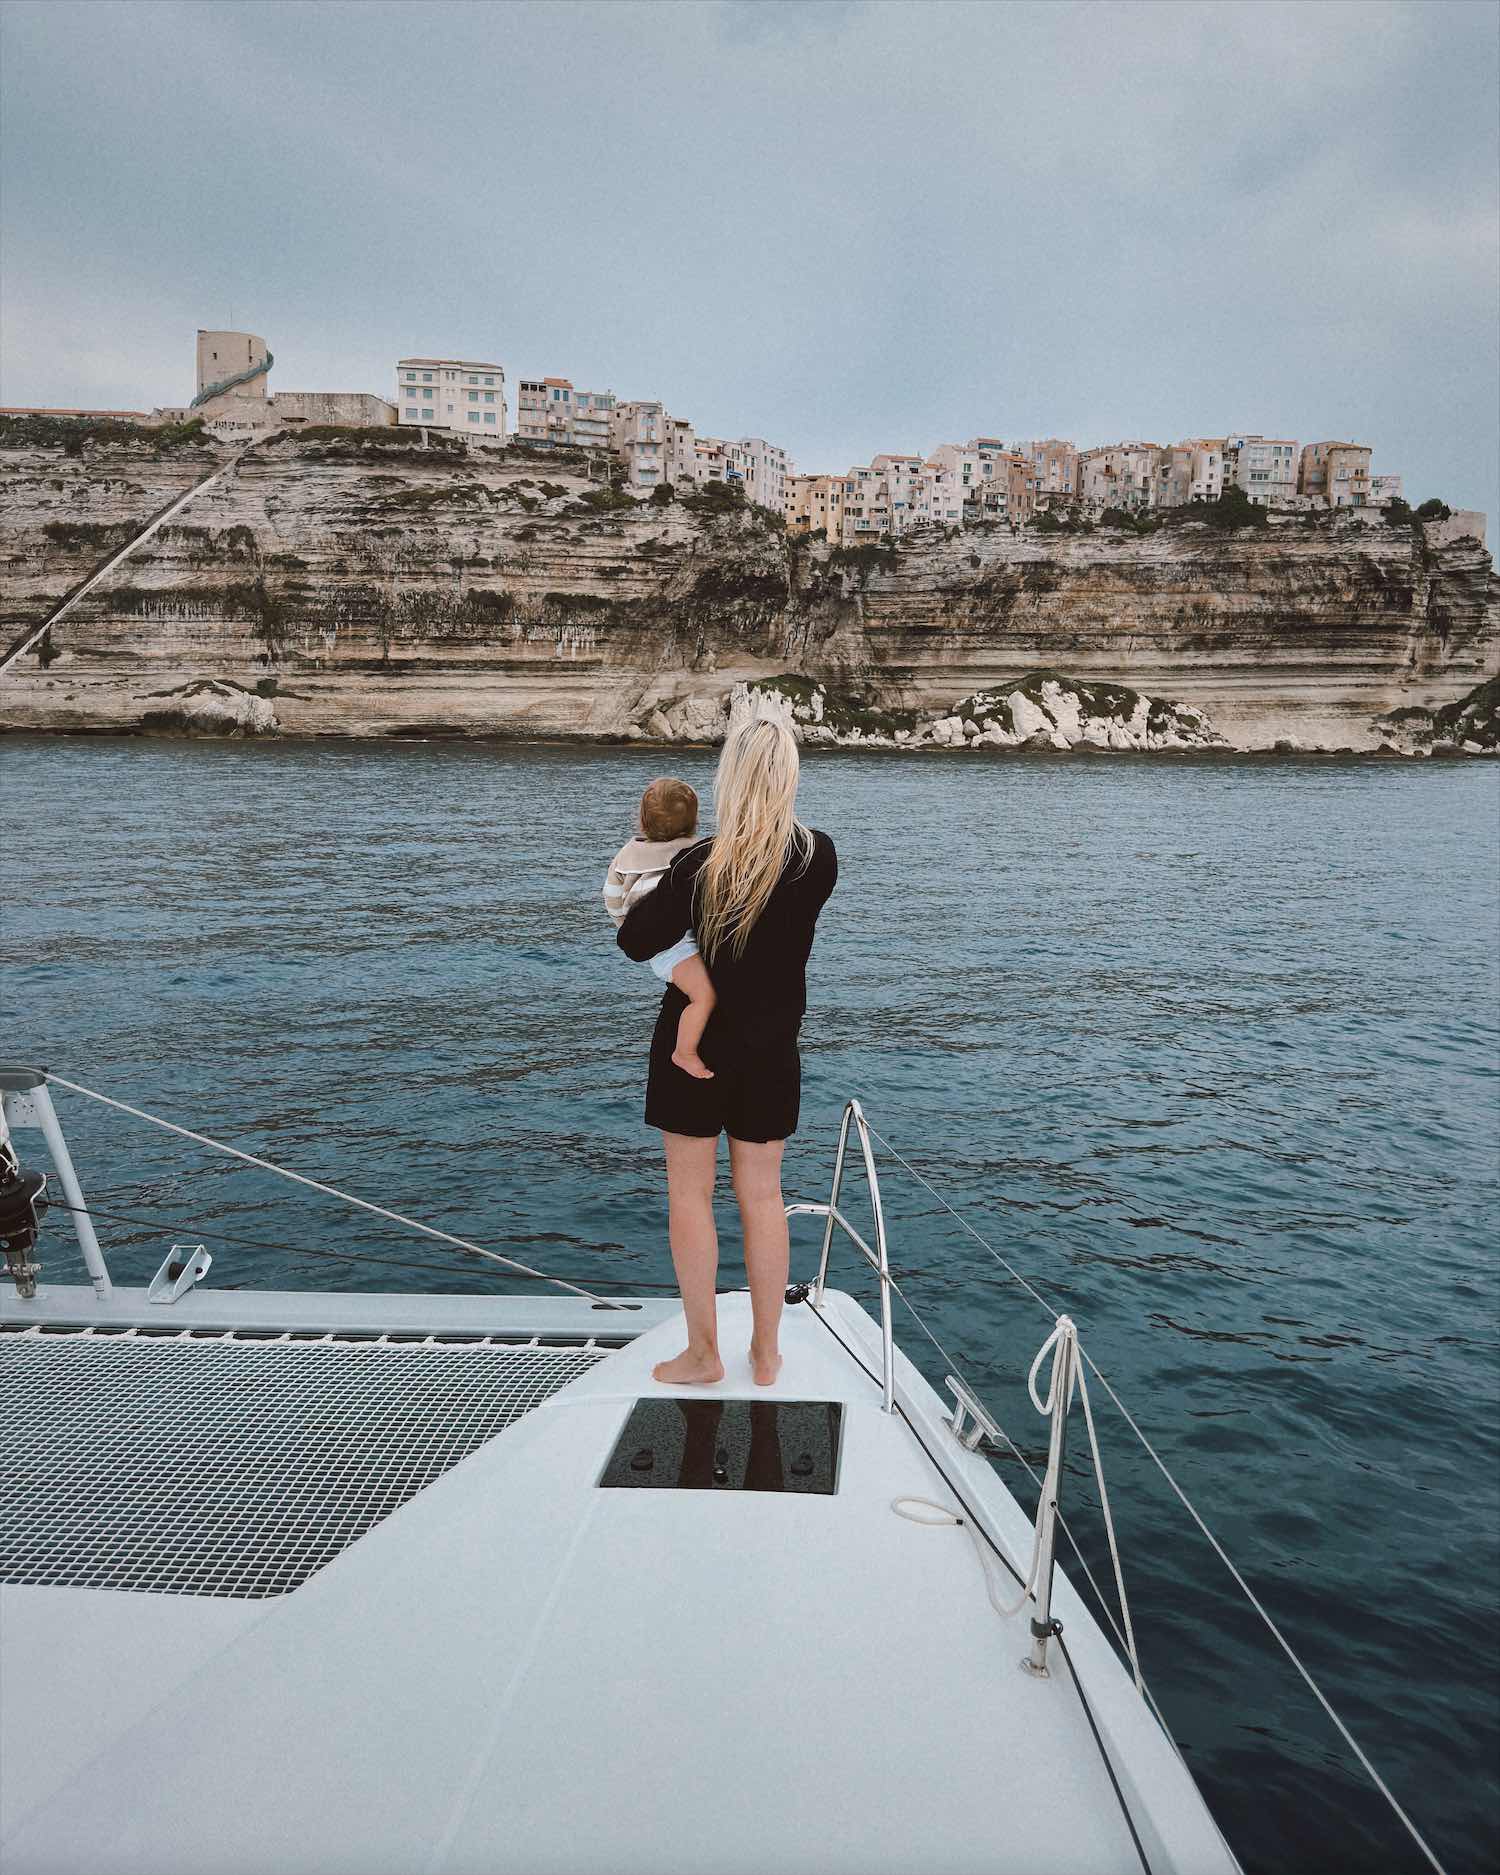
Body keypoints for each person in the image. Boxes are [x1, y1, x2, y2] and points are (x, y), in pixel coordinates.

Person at [616, 716, 838, 1388]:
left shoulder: (697, 864)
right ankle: (766, 1355)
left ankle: (705, 1354)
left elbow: (634, 939)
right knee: (762, 1198)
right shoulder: (817, 857)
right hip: (770, 1054)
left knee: (691, 1197)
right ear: (790, 776)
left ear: (729, 779)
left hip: (693, 1050)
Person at [603, 777, 718, 1079]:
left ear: (641, 820)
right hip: (674, 949)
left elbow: (611, 896)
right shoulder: (695, 853)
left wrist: (622, 923)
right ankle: (685, 1052)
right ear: (694, 822)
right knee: (704, 996)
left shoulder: (626, 855)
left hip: (660, 941)